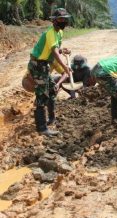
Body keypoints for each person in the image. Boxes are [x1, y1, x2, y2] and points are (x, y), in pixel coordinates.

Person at [28, 8, 71, 136]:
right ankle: (41, 128)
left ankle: (51, 118)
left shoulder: (60, 33)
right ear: (54, 21)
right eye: (60, 19)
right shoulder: (50, 33)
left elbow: (57, 49)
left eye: (64, 19)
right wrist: (65, 68)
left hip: (44, 64)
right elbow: (54, 52)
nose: (63, 21)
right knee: (42, 94)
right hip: (37, 64)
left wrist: (63, 50)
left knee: (52, 89)